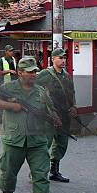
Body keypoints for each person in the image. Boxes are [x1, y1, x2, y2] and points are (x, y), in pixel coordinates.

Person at [0, 57, 59, 193]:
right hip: (14, 139)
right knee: (8, 173)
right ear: (20, 73)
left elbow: (50, 109)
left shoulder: (41, 91)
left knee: (41, 174)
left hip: (37, 140)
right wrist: (12, 106)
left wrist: (56, 118)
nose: (34, 74)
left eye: (35, 71)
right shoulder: (8, 88)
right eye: (30, 71)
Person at [36, 48, 77, 183]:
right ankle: (37, 173)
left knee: (61, 144)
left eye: (64, 58)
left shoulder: (67, 75)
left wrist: (73, 106)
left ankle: (54, 171)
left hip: (64, 115)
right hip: (49, 116)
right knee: (45, 144)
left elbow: (72, 93)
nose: (63, 60)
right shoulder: (44, 74)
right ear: (52, 59)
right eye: (60, 58)